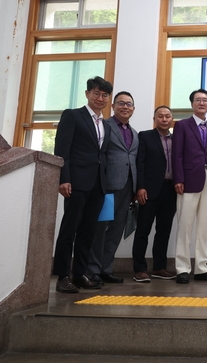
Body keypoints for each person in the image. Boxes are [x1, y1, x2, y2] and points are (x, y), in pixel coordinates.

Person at [53, 76, 112, 293]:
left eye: (105, 95)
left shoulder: (104, 124)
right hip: (76, 182)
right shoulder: (73, 116)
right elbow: (62, 150)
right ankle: (61, 276)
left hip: (98, 185)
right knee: (69, 229)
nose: (100, 98)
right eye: (96, 93)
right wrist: (64, 178)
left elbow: (102, 155)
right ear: (87, 94)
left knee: (89, 232)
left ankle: (79, 274)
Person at [86, 91, 138, 285]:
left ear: (133, 109)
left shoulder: (134, 132)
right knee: (100, 229)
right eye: (121, 103)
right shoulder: (104, 126)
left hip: (127, 188)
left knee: (116, 230)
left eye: (129, 104)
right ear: (113, 106)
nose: (125, 107)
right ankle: (92, 271)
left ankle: (106, 269)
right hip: (106, 187)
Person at [172, 89, 207, 284]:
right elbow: (176, 155)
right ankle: (182, 268)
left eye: (205, 100)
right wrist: (178, 179)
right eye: (197, 100)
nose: (201, 103)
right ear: (192, 104)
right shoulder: (182, 126)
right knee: (185, 225)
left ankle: (201, 267)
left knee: (203, 226)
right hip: (188, 180)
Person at [132, 106, 178, 282]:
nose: (164, 119)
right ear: (155, 119)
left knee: (164, 231)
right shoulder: (145, 136)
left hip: (170, 190)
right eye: (161, 116)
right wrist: (140, 187)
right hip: (149, 191)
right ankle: (139, 269)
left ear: (171, 119)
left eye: (168, 116)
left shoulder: (176, 139)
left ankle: (159, 267)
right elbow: (140, 163)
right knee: (143, 230)